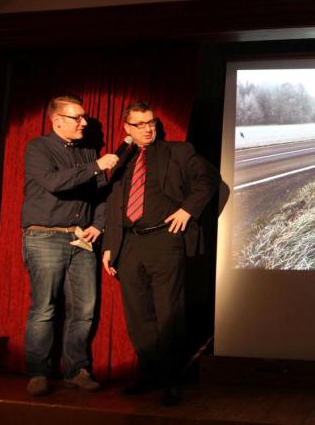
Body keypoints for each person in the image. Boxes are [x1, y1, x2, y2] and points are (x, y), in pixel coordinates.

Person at [102, 101, 220, 406]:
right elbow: (113, 204)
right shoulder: (121, 160)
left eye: (151, 122)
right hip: (129, 244)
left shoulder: (179, 152)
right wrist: (110, 245)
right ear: (127, 128)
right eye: (139, 124)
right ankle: (149, 374)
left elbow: (209, 179)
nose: (147, 129)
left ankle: (171, 379)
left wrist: (187, 210)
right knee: (138, 315)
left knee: (169, 313)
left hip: (164, 240)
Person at [21, 94, 119, 396]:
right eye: (77, 118)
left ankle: (76, 369)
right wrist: (96, 166)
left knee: (84, 309)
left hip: (80, 238)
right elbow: (55, 182)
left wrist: (97, 225)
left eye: (84, 117)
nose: (84, 122)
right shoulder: (38, 147)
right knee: (45, 308)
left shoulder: (88, 152)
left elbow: (102, 196)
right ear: (57, 120)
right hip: (44, 236)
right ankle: (38, 373)